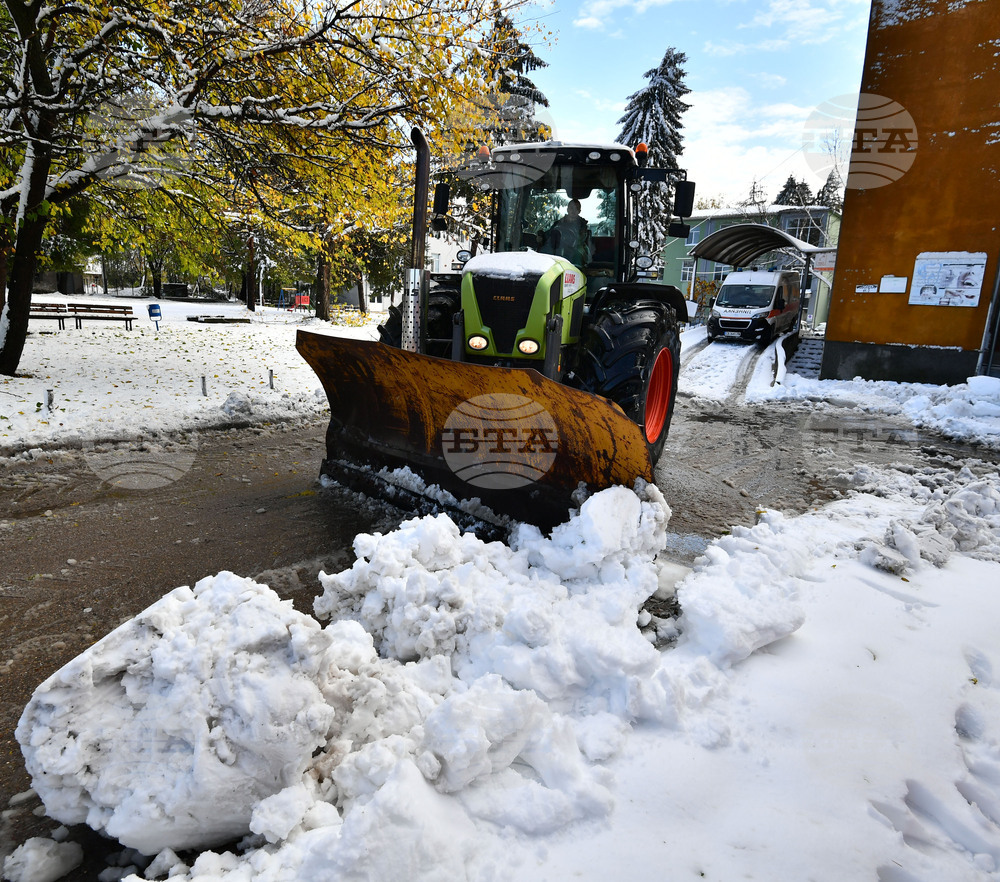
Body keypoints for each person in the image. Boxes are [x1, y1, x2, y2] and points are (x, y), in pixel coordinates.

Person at [544, 199, 593, 266]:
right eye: (571, 208)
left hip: (576, 247)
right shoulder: (558, 223)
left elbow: (580, 239)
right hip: (558, 246)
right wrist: (541, 236)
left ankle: (577, 271)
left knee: (577, 254)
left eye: (576, 208)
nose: (573, 210)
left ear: (579, 211)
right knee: (546, 250)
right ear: (567, 209)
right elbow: (549, 234)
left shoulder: (582, 225)